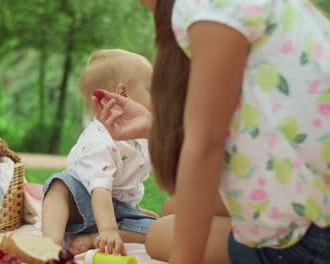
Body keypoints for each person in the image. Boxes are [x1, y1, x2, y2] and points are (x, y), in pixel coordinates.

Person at [93, 0, 330, 263]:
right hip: (312, 195)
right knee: (175, 205)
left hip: (315, 235)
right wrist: (153, 126)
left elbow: (206, 149)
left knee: (159, 235)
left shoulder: (207, 7)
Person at [41, 49, 157, 256]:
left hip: (116, 209)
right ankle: (50, 244)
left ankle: (93, 238)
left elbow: (130, 180)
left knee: (157, 230)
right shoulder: (100, 138)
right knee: (59, 186)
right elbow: (100, 188)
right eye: (151, 90)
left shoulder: (141, 136)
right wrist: (109, 229)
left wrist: (134, 210)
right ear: (123, 94)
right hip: (81, 202)